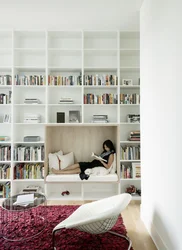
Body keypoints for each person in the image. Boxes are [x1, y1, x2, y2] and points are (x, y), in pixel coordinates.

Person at [51, 140, 115, 179]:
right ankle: (61, 170)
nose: (105, 148)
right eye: (104, 147)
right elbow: (101, 157)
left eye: (106, 147)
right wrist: (97, 156)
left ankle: (59, 172)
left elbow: (108, 166)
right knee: (78, 164)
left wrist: (101, 161)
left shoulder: (111, 155)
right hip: (92, 163)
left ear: (110, 146)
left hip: (94, 166)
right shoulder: (105, 152)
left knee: (78, 169)